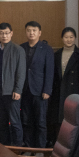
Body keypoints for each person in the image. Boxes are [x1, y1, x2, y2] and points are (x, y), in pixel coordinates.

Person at [47, 27, 79, 145]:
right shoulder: (57, 54)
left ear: (75, 38)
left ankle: (71, 145)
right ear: (62, 38)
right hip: (58, 92)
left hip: (74, 92)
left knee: (72, 120)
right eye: (66, 37)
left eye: (71, 37)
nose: (69, 40)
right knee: (58, 120)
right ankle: (57, 145)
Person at [0, 23, 26, 146]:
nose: (4, 36)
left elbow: (21, 72)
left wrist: (18, 90)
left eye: (6, 33)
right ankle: (4, 148)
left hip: (11, 93)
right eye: (1, 33)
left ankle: (18, 149)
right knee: (1, 123)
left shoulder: (18, 50)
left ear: (11, 33)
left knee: (15, 122)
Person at [20, 21, 54, 149]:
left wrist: (47, 90)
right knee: (26, 121)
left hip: (40, 91)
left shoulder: (46, 49)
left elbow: (49, 71)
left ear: (39, 33)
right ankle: (28, 147)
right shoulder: (21, 48)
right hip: (25, 90)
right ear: (25, 32)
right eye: (29, 30)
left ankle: (41, 149)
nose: (31, 33)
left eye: (34, 30)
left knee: (40, 122)